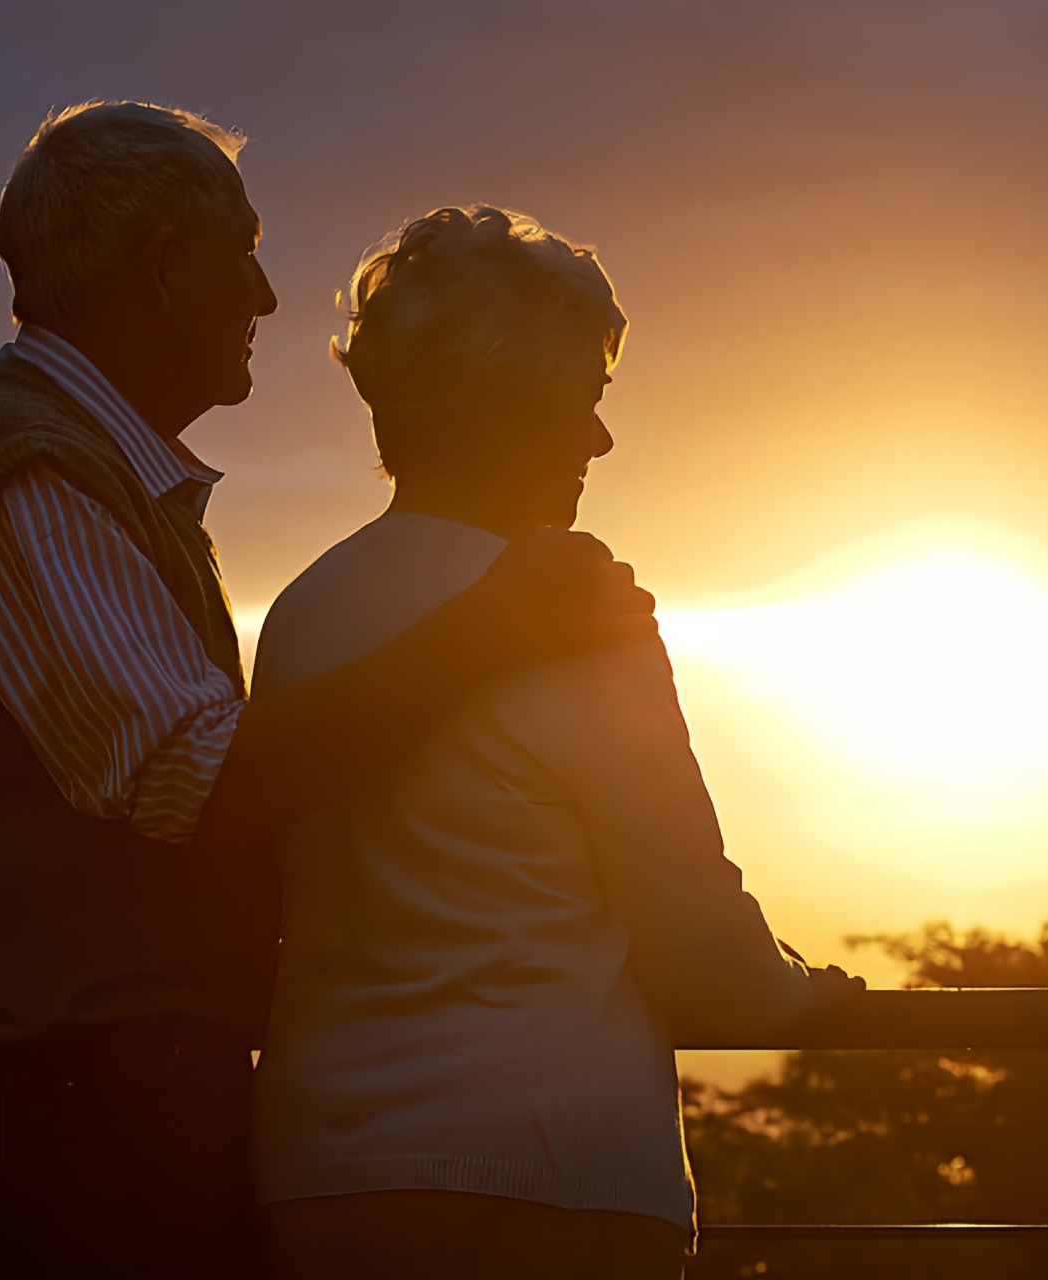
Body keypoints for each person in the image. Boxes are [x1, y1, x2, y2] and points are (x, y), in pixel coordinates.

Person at [0, 106, 652, 1278]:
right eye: (246, 253)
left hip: (84, 1107)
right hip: (65, 1139)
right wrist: (490, 628)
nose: (268, 297)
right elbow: (196, 775)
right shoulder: (22, 468)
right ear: (165, 268)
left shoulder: (75, 465)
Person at [251, 205, 861, 1280]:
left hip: (322, 1180)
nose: (599, 439)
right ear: (510, 404)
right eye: (584, 400)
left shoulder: (299, 616)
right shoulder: (582, 614)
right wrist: (810, 991)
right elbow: (701, 947)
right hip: (548, 1183)